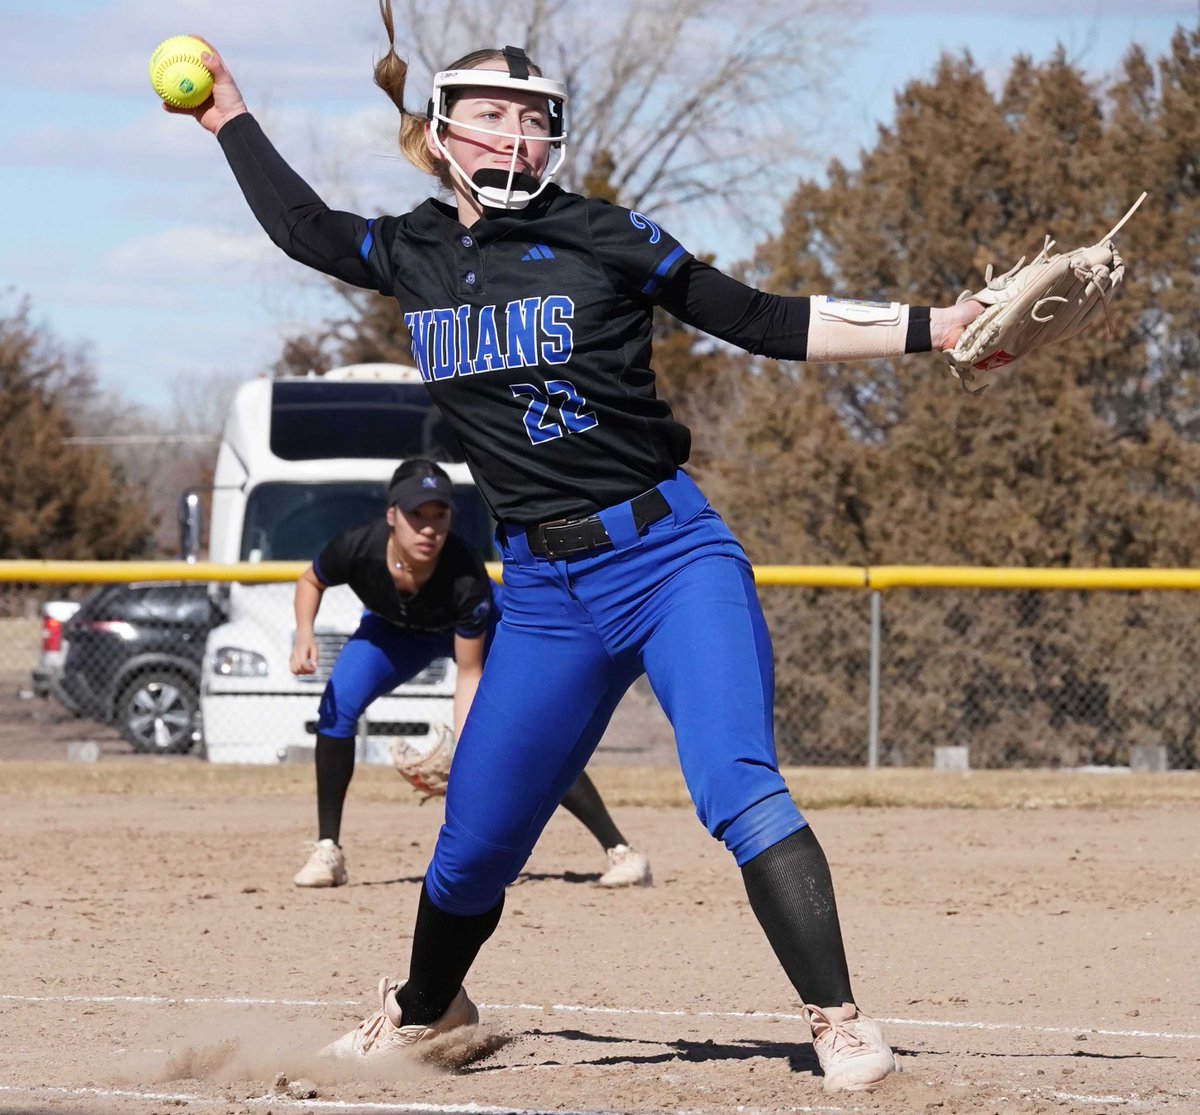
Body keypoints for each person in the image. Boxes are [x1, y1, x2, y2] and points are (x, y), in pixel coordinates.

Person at [164, 13, 985, 1093]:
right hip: (547, 591)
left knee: (735, 785)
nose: (514, 137)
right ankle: (425, 1005)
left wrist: (942, 326)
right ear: (443, 130)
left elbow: (764, 318)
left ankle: (836, 1017)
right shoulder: (414, 250)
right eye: (492, 116)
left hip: (668, 557)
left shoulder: (606, 234)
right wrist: (224, 111)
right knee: (471, 845)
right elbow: (306, 229)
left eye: (534, 121)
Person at [289, 456, 652, 890]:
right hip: (395, 631)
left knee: (531, 734)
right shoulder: (357, 546)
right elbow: (312, 580)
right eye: (415, 515)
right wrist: (304, 634)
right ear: (391, 516)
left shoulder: (463, 574)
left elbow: (468, 669)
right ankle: (328, 851)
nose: (428, 528)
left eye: (439, 515)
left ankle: (622, 852)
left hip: (478, 637)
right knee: (337, 707)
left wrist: (467, 750)